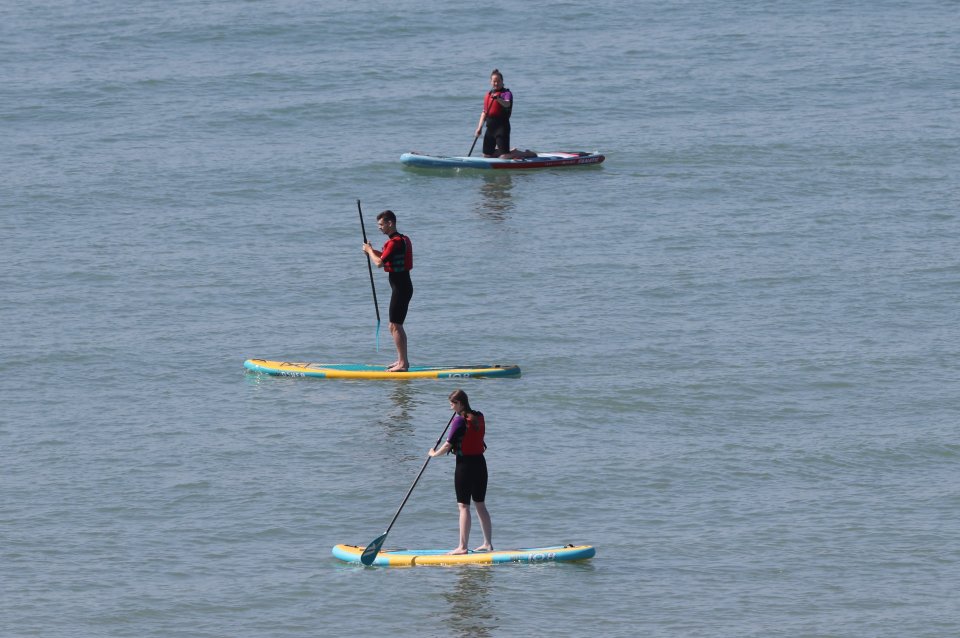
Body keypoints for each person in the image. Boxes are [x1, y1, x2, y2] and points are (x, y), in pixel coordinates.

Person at [428, 389, 493, 554]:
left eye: (452, 404)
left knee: (463, 506)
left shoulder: (458, 421)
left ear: (460, 403)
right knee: (480, 504)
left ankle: (462, 547)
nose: (451, 408)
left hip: (465, 466)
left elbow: (448, 445)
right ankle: (487, 543)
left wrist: (434, 454)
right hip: (480, 464)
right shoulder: (480, 416)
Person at [362, 210, 413, 372]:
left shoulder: (394, 242)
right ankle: (401, 360)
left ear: (390, 223)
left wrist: (370, 251)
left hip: (401, 287)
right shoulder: (400, 240)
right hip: (402, 286)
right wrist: (371, 250)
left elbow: (378, 263)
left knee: (395, 325)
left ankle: (403, 364)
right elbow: (385, 256)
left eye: (381, 224)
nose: (379, 228)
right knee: (393, 326)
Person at [474, 69, 513, 158]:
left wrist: (498, 99)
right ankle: (511, 151)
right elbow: (484, 112)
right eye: (494, 81)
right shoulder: (488, 95)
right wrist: (479, 128)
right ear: (491, 82)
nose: (496, 83)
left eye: (498, 81)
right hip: (490, 129)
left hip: (502, 128)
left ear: (502, 81)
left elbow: (507, 104)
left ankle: (527, 154)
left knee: (504, 157)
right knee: (486, 155)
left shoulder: (506, 93)